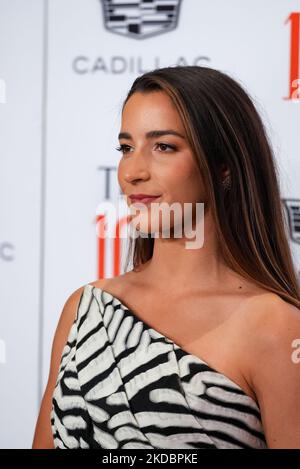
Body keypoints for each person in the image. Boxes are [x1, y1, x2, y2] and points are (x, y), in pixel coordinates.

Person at [32, 65, 300, 449]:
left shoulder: (277, 328)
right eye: (126, 148)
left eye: (164, 146)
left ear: (224, 167)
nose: (132, 172)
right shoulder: (84, 310)